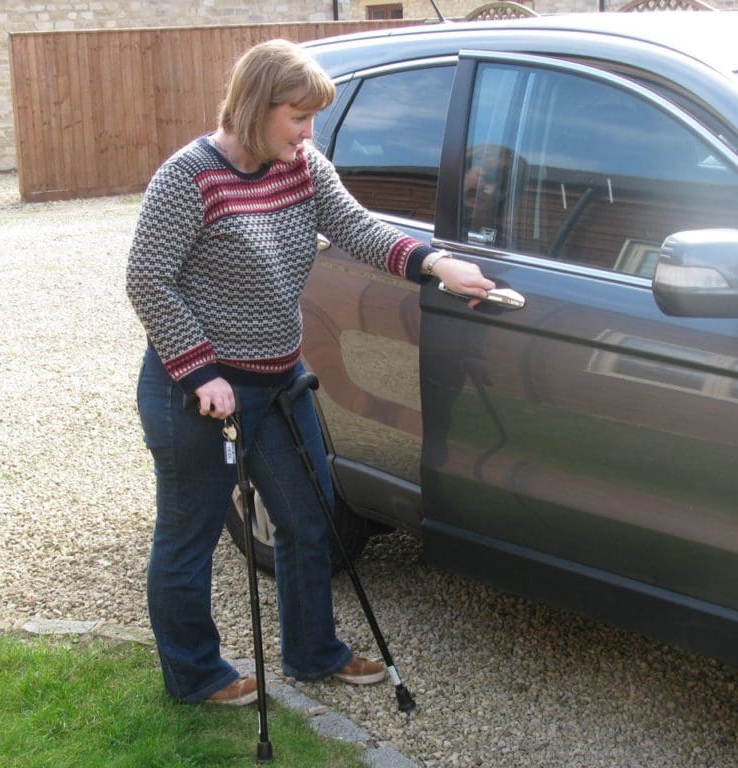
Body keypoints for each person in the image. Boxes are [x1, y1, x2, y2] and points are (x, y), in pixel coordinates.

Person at [126, 38, 495, 707]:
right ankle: (196, 674)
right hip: (196, 392)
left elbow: (361, 230)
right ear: (256, 107)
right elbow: (148, 281)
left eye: (311, 119)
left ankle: (311, 651)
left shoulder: (302, 167)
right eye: (298, 117)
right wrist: (200, 370)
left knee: (309, 518)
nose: (308, 132)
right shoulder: (189, 177)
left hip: (278, 382)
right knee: (189, 536)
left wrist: (437, 265)